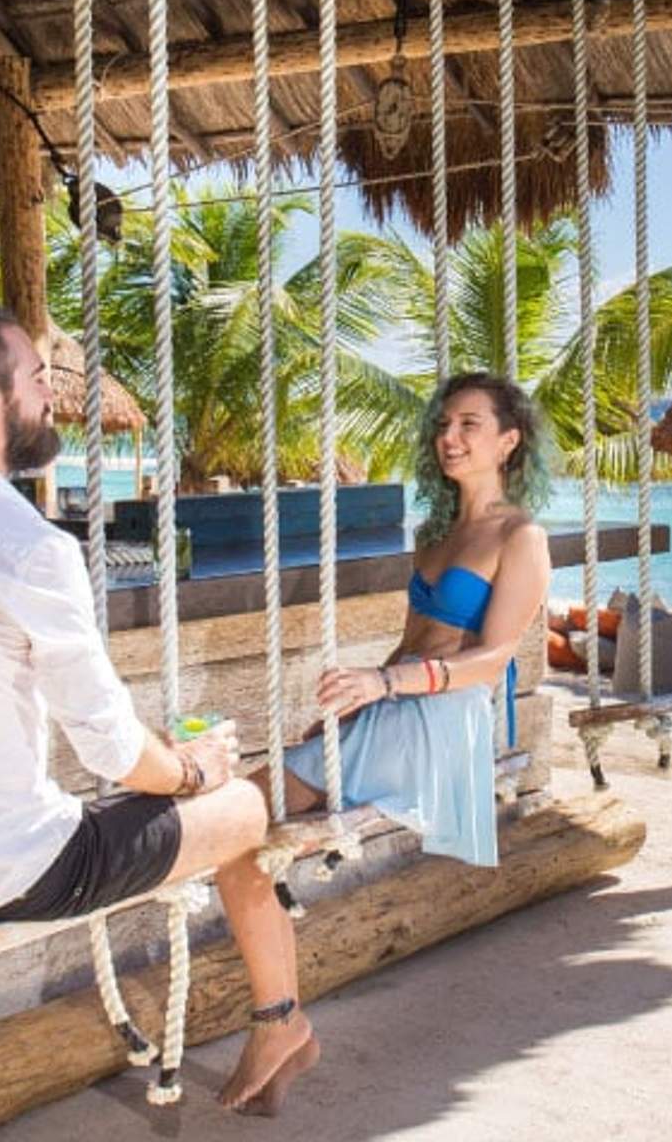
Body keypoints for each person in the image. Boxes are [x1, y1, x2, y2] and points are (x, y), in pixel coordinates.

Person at [0, 296, 304, 1136]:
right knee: (244, 808)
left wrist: (154, 761)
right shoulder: (29, 546)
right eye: (32, 378)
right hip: (14, 872)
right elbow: (113, 751)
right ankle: (283, 1021)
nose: (48, 396)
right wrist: (194, 771)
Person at [249, 372, 551, 1114]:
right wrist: (351, 709)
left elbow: (491, 661)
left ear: (508, 442)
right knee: (244, 819)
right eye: (445, 424)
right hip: (393, 710)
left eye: (470, 425)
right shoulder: (437, 536)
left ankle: (281, 1022)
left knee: (240, 810)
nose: (450, 438)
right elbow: (412, 641)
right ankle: (281, 1021)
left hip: (442, 722)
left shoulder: (522, 535)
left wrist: (383, 690)